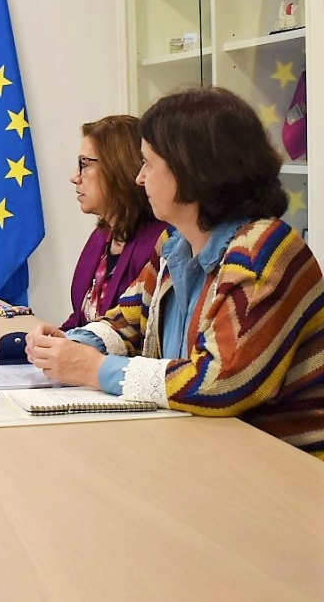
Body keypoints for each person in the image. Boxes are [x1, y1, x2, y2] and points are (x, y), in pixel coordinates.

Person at [26, 88, 324, 460]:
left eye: (148, 164)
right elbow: (128, 320)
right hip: (208, 453)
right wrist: (70, 344)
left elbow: (222, 379)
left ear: (191, 170)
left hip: (285, 470)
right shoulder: (176, 241)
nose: (138, 179)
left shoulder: (265, 249)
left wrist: (95, 369)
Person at [63, 115, 168, 330]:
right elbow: (81, 319)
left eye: (84, 164)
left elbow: (139, 336)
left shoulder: (160, 244)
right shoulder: (101, 237)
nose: (75, 177)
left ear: (117, 166)